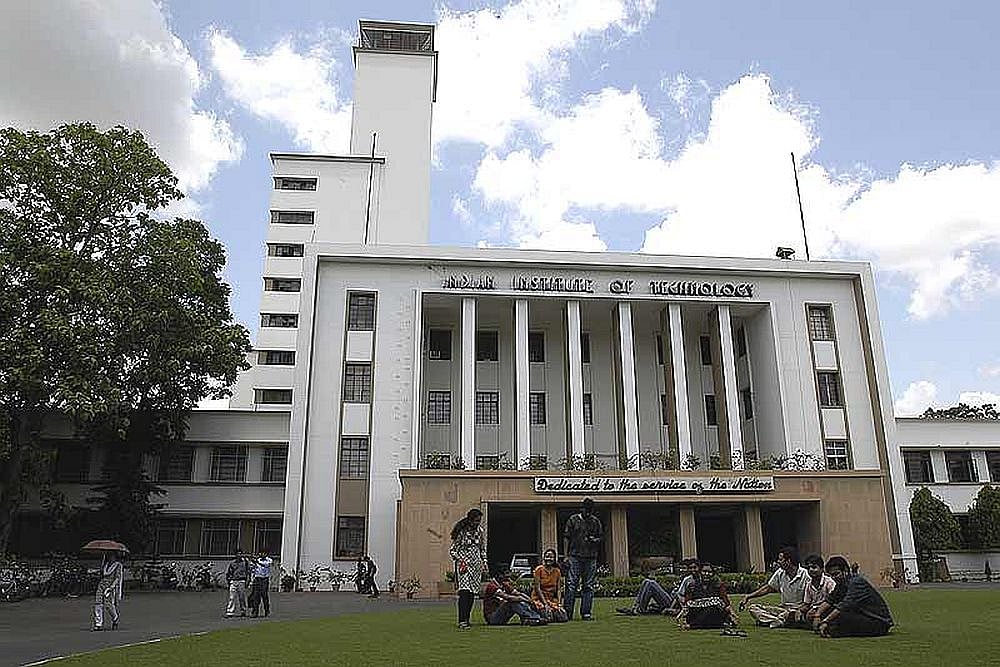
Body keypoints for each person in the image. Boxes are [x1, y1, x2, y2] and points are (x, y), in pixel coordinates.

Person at [814, 555, 893, 638]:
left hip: (878, 621)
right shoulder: (841, 584)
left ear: (845, 571)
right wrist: (817, 615)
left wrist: (825, 621)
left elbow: (843, 606)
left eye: (836, 574)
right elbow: (829, 600)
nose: (834, 578)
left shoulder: (856, 582)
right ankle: (830, 628)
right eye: (831, 575)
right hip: (860, 615)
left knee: (841, 617)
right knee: (826, 612)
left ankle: (831, 630)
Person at [739, 546, 809, 627]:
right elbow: (768, 588)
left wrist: (798, 610)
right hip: (783, 609)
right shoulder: (780, 573)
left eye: (780, 559)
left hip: (797, 611)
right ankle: (778, 621)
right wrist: (748, 596)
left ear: (788, 561)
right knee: (753, 608)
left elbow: (809, 601)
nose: (778, 562)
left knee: (791, 615)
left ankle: (772, 620)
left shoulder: (805, 575)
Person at [562, 497, 603, 620]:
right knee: (571, 584)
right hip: (574, 556)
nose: (588, 513)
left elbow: (600, 537)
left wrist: (594, 540)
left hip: (591, 557)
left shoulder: (595, 521)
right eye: (586, 510)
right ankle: (567, 613)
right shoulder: (573, 520)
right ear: (582, 509)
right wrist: (566, 556)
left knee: (588, 585)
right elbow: (566, 537)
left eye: (590, 511)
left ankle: (586, 612)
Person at [449, 508, 488, 629]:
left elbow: (482, 548)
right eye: (476, 520)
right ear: (470, 520)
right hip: (464, 567)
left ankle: (467, 618)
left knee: (472, 593)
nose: (477, 523)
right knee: (464, 591)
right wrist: (461, 560)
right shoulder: (462, 532)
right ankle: (462, 620)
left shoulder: (480, 531)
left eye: (479, 521)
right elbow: (453, 550)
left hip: (476, 566)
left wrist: (484, 562)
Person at [617, 559, 698, 616]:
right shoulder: (682, 578)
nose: (682, 570)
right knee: (646, 581)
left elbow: (679, 596)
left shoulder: (689, 580)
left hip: (672, 603)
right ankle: (635, 607)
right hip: (670, 598)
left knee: (650, 583)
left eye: (684, 568)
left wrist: (671, 608)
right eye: (681, 568)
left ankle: (639, 610)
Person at [679, 562, 738, 630]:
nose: (706, 574)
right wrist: (682, 615)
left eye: (709, 572)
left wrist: (732, 614)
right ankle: (715, 625)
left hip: (713, 612)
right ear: (700, 572)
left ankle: (693, 626)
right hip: (697, 612)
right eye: (704, 571)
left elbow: (726, 602)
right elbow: (687, 602)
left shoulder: (718, 585)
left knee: (714, 608)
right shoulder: (692, 585)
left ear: (713, 573)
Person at [796, 554, 836, 628]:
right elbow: (807, 604)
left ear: (822, 569)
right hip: (812, 611)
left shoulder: (829, 582)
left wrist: (816, 610)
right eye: (808, 568)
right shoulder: (808, 585)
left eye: (814, 567)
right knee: (794, 615)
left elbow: (832, 602)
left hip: (825, 610)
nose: (811, 570)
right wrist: (800, 610)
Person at [531, 548, 568, 622]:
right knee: (548, 617)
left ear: (554, 559)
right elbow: (538, 589)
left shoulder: (557, 571)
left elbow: (558, 589)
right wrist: (545, 604)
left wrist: (559, 603)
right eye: (547, 556)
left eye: (551, 557)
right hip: (539, 599)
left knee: (563, 617)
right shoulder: (539, 570)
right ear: (544, 558)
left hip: (551, 599)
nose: (549, 559)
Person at [92, 551, 124, 631]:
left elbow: (117, 578)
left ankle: (115, 618)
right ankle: (98, 624)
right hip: (101, 585)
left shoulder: (118, 565)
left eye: (112, 556)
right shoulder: (105, 564)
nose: (110, 557)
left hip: (110, 586)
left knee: (108, 605)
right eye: (109, 555)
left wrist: (112, 587)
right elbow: (101, 574)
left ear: (115, 557)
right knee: (98, 603)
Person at [224, 549, 250, 618]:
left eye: (240, 554)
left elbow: (248, 572)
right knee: (232, 597)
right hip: (234, 580)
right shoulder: (232, 563)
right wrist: (229, 581)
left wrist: (248, 581)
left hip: (242, 581)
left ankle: (243, 611)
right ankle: (230, 612)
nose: (239, 555)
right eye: (238, 554)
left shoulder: (245, 563)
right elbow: (229, 572)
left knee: (242, 597)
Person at [248, 549, 273, 618]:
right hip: (257, 579)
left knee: (264, 595)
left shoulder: (269, 560)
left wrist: (256, 561)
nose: (262, 554)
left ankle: (267, 610)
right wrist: (252, 564)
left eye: (263, 553)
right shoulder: (257, 560)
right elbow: (252, 570)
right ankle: (255, 611)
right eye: (261, 553)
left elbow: (266, 565)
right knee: (256, 596)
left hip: (264, 579)